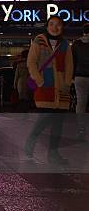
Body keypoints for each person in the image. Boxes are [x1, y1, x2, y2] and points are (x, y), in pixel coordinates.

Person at [25, 15, 74, 165]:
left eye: (58, 24)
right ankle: (31, 140)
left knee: (58, 125)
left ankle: (53, 155)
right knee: (44, 119)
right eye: (51, 24)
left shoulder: (65, 44)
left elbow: (69, 65)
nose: (55, 27)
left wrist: (67, 83)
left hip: (61, 89)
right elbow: (31, 62)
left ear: (62, 27)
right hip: (45, 87)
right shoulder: (39, 40)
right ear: (47, 26)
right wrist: (39, 80)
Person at [72, 23, 89, 136]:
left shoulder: (76, 43)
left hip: (79, 76)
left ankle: (81, 128)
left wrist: (72, 76)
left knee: (81, 103)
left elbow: (72, 61)